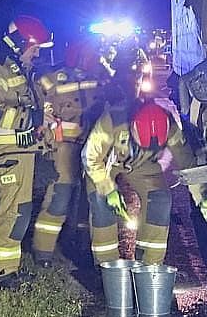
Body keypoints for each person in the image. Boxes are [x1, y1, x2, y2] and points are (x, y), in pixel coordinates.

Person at [0, 14, 50, 286]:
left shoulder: (15, 68)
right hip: (4, 152)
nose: (37, 54)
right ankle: (0, 273)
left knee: (21, 209)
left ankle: (9, 267)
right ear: (20, 43)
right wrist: (29, 121)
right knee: (12, 211)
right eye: (35, 48)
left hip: (18, 150)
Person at [83, 98, 199, 268]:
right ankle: (106, 268)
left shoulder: (170, 127)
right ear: (133, 127)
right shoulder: (112, 120)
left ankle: (149, 267)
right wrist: (108, 189)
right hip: (105, 162)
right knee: (101, 204)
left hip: (143, 162)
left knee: (160, 199)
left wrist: (201, 196)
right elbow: (90, 158)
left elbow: (187, 163)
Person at [29, 40, 100, 266]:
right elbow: (55, 107)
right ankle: (43, 251)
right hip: (63, 148)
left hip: (87, 147)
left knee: (86, 202)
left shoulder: (92, 79)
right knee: (59, 198)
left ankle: (78, 243)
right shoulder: (55, 79)